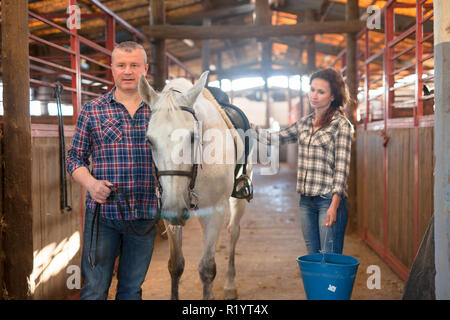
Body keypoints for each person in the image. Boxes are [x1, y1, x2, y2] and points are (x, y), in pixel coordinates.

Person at [66, 41, 159, 300]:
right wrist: (91, 184)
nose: (127, 71)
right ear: (112, 69)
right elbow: (74, 158)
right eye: (121, 65)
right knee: (95, 290)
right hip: (103, 214)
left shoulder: (161, 110)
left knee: (131, 290)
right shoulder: (93, 110)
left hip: (145, 214)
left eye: (134, 65)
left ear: (145, 69)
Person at [253, 67, 353, 254]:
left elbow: (342, 169)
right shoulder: (305, 123)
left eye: (321, 91)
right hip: (306, 201)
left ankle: (329, 285)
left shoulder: (341, 126)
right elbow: (276, 137)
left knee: (329, 257)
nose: (314, 95)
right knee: (312, 256)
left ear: (332, 96)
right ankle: (316, 285)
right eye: (312, 89)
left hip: (328, 200)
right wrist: (250, 127)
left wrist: (334, 205)